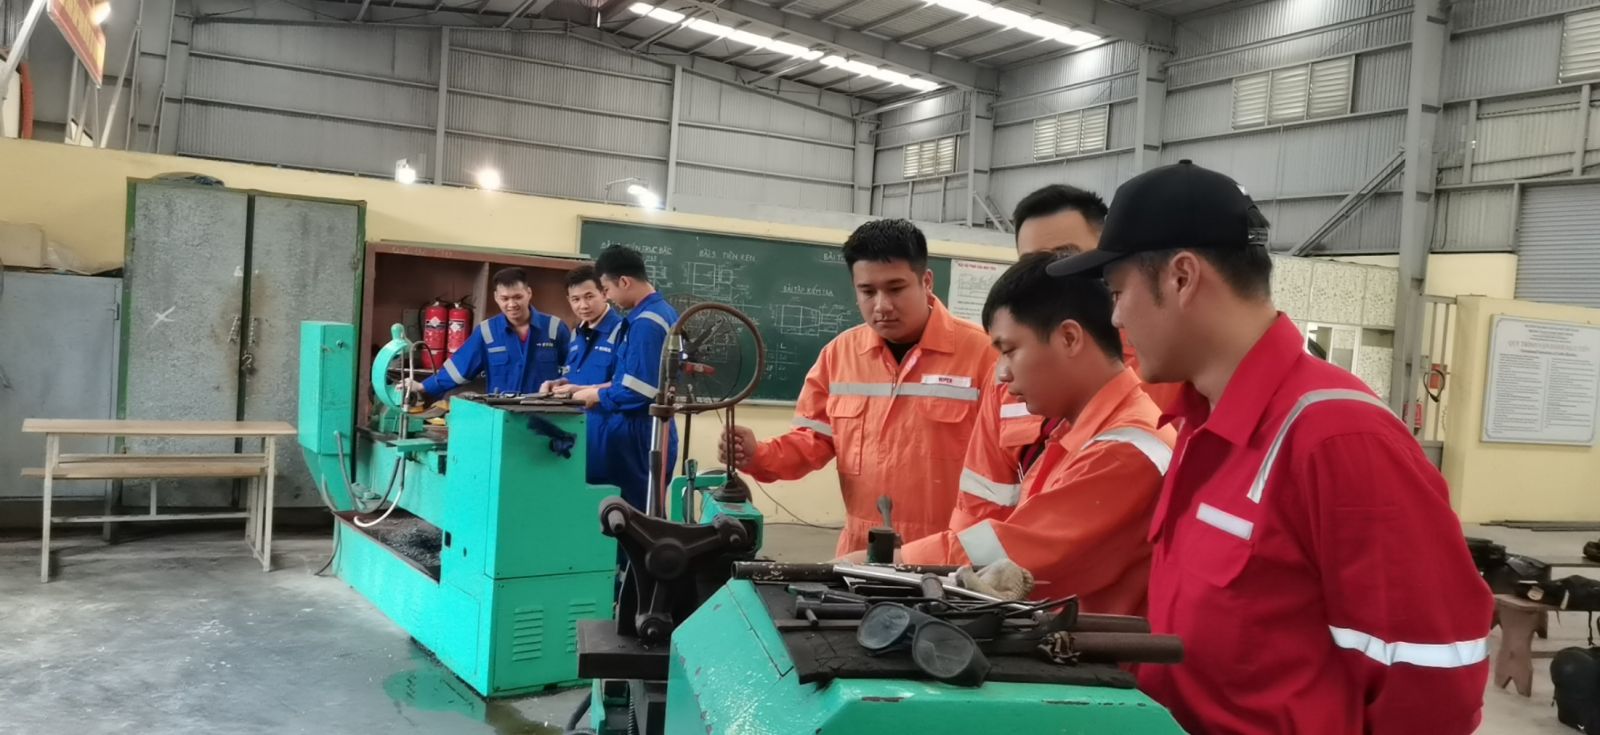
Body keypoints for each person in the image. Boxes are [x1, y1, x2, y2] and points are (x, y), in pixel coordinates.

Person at [1047, 160, 1492, 734]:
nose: (1115, 316)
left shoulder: (1339, 440)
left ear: (1181, 278)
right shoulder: (1199, 425)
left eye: (1117, 292)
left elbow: (1434, 683)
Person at [886, 252, 1173, 616]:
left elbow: (1011, 555)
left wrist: (890, 564)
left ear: (1069, 338)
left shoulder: (1125, 451)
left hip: (1096, 649)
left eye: (1009, 350)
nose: (1002, 374)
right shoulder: (1078, 434)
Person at [719, 219, 998, 556]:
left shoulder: (985, 355)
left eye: (895, 289)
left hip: (948, 555)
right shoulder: (839, 356)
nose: (882, 305)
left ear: (926, 281)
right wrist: (758, 455)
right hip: (862, 552)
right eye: (867, 291)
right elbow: (812, 441)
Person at [954, 185, 1181, 531]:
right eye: (1031, 265)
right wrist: (956, 562)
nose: (1049, 277)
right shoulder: (1005, 378)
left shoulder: (1168, 365)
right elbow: (980, 500)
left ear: (1105, 260)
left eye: (1065, 259)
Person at [571, 246, 680, 512]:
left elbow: (638, 392)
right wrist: (586, 387)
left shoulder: (646, 323)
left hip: (640, 437)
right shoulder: (657, 313)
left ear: (624, 282)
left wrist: (595, 395)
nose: (607, 297)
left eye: (606, 289)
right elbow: (631, 380)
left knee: (634, 520)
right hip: (642, 435)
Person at [405, 268, 568, 399]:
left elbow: (573, 371)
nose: (512, 304)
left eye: (518, 297)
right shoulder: (487, 332)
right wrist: (423, 386)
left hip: (546, 416)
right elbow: (458, 370)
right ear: (496, 297)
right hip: (502, 416)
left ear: (529, 293)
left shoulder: (554, 328)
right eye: (505, 298)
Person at [542, 265, 626, 485]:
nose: (583, 305)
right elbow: (577, 376)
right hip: (578, 436)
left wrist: (581, 390)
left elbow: (626, 386)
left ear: (604, 293)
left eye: (589, 296)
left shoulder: (623, 332)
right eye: (576, 299)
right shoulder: (575, 334)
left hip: (611, 438)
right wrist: (559, 383)